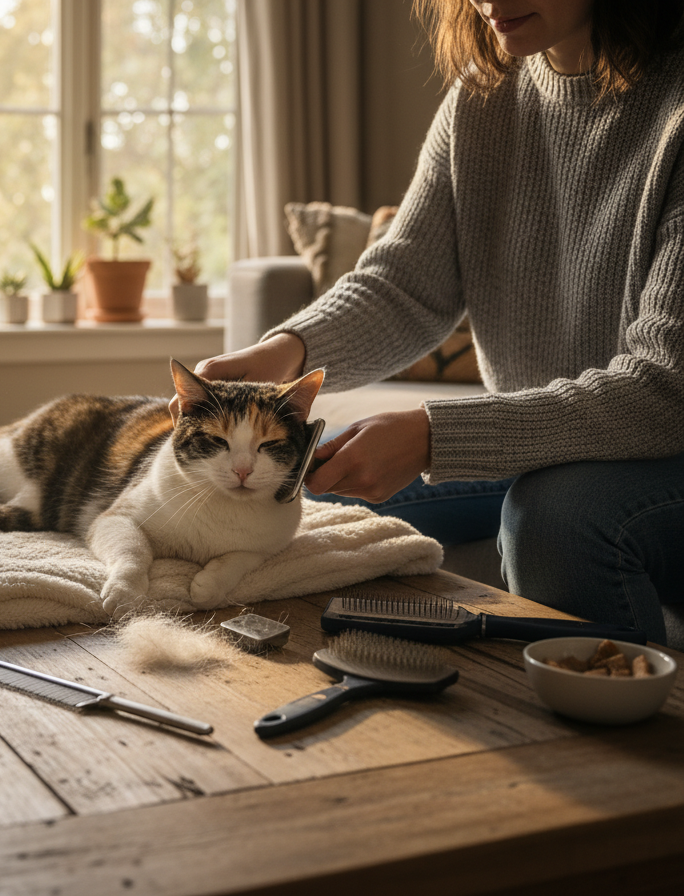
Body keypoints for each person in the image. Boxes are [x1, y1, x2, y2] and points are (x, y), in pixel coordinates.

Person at [196, 0, 684, 644]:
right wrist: (288, 350)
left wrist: (433, 436)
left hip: (662, 454)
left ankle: (611, 710)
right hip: (545, 443)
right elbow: (404, 286)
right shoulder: (483, 96)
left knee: (557, 518)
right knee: (286, 493)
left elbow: (666, 389)